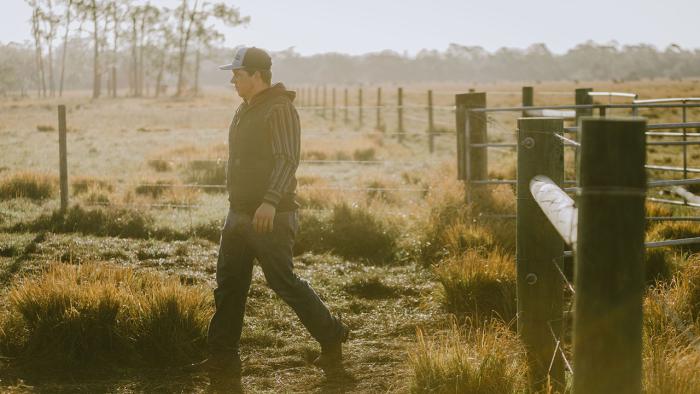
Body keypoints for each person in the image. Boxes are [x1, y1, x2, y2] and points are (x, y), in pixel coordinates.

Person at [189, 46, 349, 386]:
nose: (233, 79)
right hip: (238, 214)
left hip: (270, 216)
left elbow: (287, 159)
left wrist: (271, 201)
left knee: (283, 282)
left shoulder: (280, 109)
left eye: (239, 74)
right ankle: (222, 358)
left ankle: (332, 337)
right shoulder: (245, 109)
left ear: (258, 76)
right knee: (229, 285)